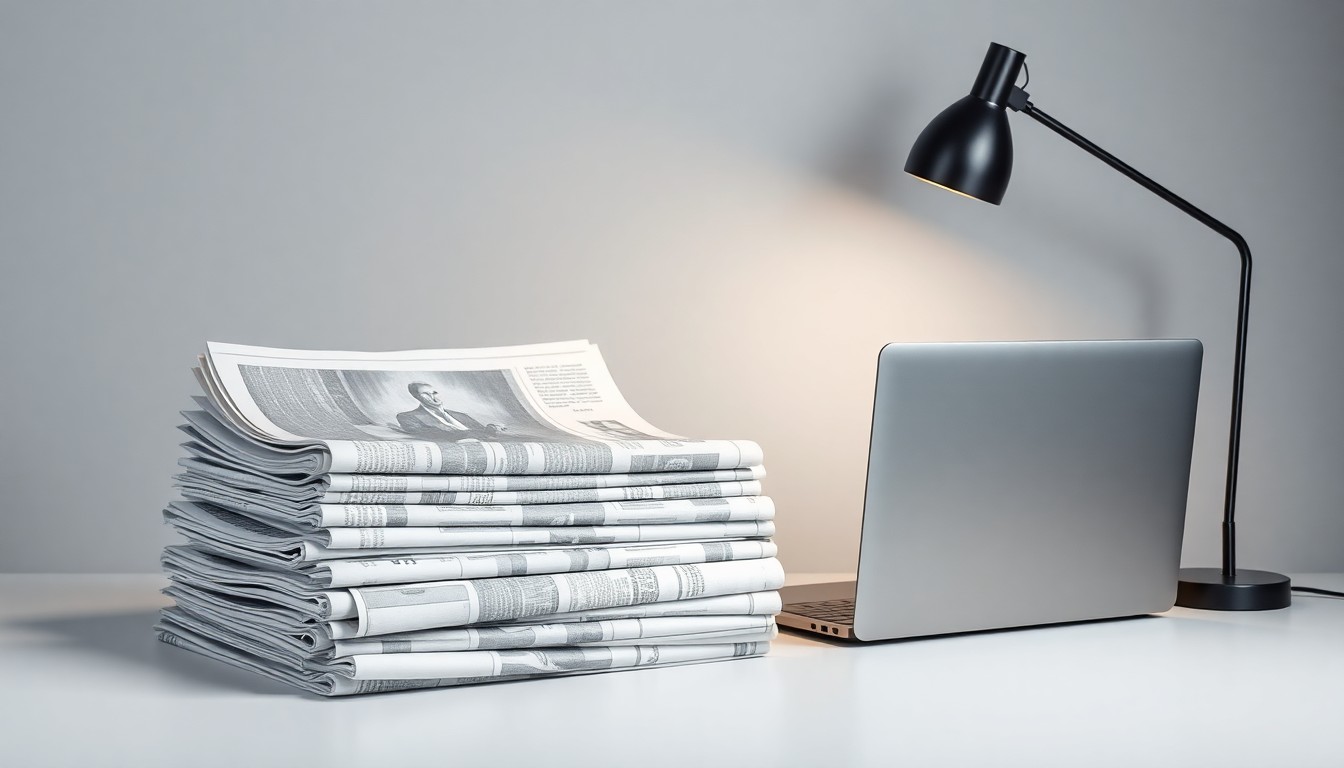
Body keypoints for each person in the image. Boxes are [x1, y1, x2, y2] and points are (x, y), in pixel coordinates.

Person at [395, 382, 507, 441]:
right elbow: (428, 434)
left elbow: (482, 431)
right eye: (425, 394)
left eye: (434, 393)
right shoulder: (406, 417)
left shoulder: (462, 416)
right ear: (416, 397)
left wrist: (493, 428)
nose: (432, 397)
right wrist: (467, 436)